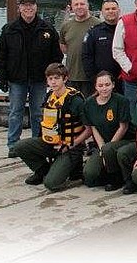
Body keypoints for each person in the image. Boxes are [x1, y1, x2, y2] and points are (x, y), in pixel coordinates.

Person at [0, 0, 63, 152]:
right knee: (15, 112)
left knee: (38, 113)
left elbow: (56, 56)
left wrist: (52, 77)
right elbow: (0, 55)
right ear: (20, 8)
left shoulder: (48, 29)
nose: (28, 9)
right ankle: (13, 145)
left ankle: (37, 143)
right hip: (16, 79)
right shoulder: (9, 29)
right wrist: (1, 77)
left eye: (31, 5)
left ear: (36, 7)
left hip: (39, 80)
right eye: (25, 6)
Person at [13, 63, 87, 191]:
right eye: (50, 78)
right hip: (50, 143)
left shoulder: (75, 100)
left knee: (51, 184)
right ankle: (43, 170)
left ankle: (73, 168)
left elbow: (89, 129)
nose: (53, 82)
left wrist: (70, 145)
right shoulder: (49, 97)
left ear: (65, 79)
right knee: (20, 146)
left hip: (69, 147)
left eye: (57, 78)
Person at [81, 71, 132, 190]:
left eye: (107, 84)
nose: (104, 88)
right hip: (102, 144)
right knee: (89, 177)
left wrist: (107, 149)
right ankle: (106, 173)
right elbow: (93, 127)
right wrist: (102, 148)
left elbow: (123, 127)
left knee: (109, 150)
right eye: (100, 85)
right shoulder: (89, 103)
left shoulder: (121, 100)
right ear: (95, 86)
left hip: (122, 141)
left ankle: (116, 179)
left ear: (113, 85)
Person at [59, 0, 100, 97]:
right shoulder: (66, 26)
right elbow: (64, 48)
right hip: (71, 76)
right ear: (72, 7)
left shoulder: (98, 24)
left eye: (82, 4)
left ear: (88, 5)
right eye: (76, 4)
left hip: (91, 78)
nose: (79, 7)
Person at [82, 0, 121, 85]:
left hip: (124, 80)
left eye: (113, 9)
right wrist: (93, 79)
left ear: (119, 11)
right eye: (107, 9)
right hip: (102, 82)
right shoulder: (94, 32)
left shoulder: (126, 29)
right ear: (102, 12)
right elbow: (87, 57)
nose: (110, 11)